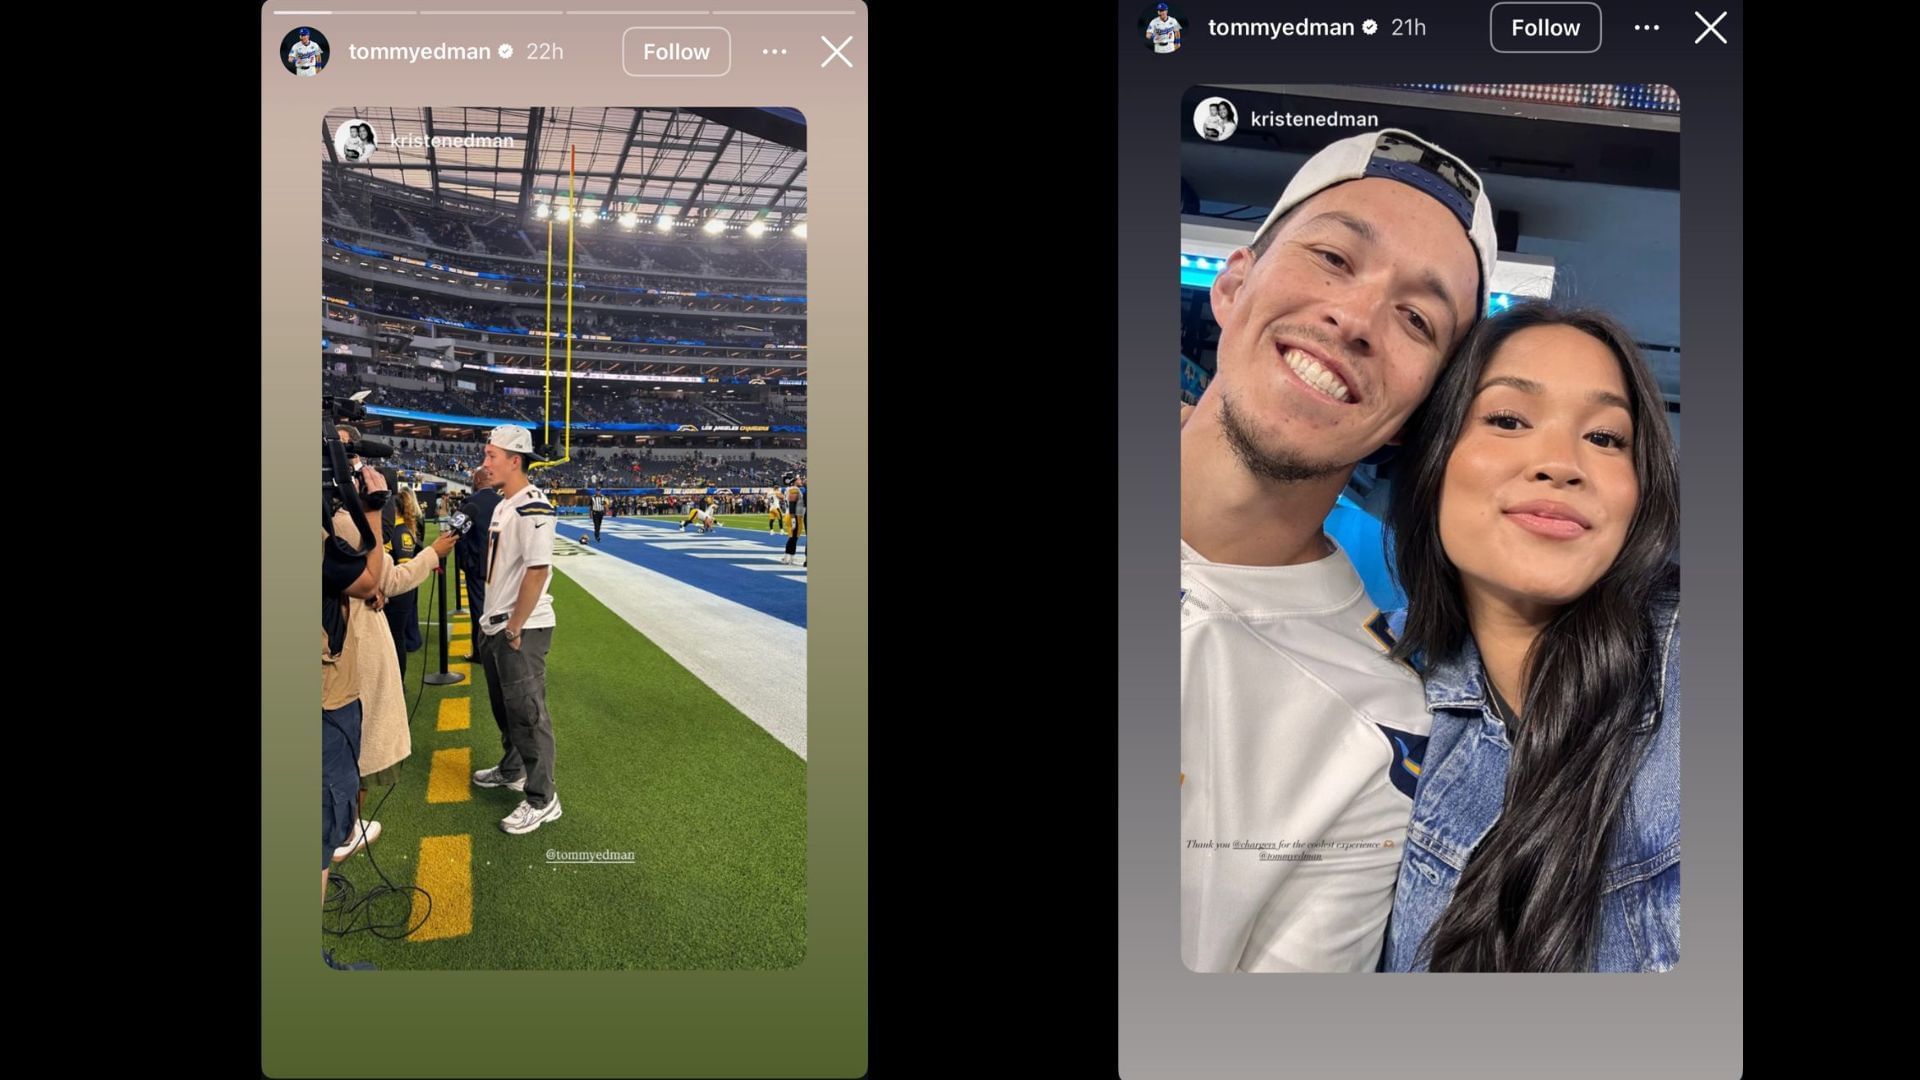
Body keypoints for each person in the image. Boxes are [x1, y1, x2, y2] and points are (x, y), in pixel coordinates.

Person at [1179, 128, 1496, 972]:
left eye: (1417, 319)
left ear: (1422, 406)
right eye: (1332, 256)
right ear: (1235, 281)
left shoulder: (1384, 729)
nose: (1355, 320)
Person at [1379, 304, 1680, 972]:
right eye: (1508, 420)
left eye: (1605, 438)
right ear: (1434, 457)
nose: (1560, 464)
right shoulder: (1379, 690)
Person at [331, 427, 456, 860]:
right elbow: (382, 580)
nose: (357, 464)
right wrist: (433, 553)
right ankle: (344, 830)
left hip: (340, 640)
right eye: (348, 454)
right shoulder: (348, 517)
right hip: (351, 646)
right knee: (355, 742)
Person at [468, 425, 563, 835]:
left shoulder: (533, 506)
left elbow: (537, 571)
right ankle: (512, 769)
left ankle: (544, 799)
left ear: (515, 460)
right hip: (498, 623)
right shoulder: (507, 502)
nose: (485, 463)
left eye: (492, 456)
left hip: (522, 627)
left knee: (528, 713)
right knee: (505, 709)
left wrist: (515, 626)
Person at [456, 466, 501, 663]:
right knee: (500, 608)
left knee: (478, 610)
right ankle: (499, 651)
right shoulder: (504, 503)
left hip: (476, 565)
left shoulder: (469, 502)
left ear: (476, 481)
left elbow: (457, 534)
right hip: (501, 565)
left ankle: (480, 652)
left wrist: (464, 562)